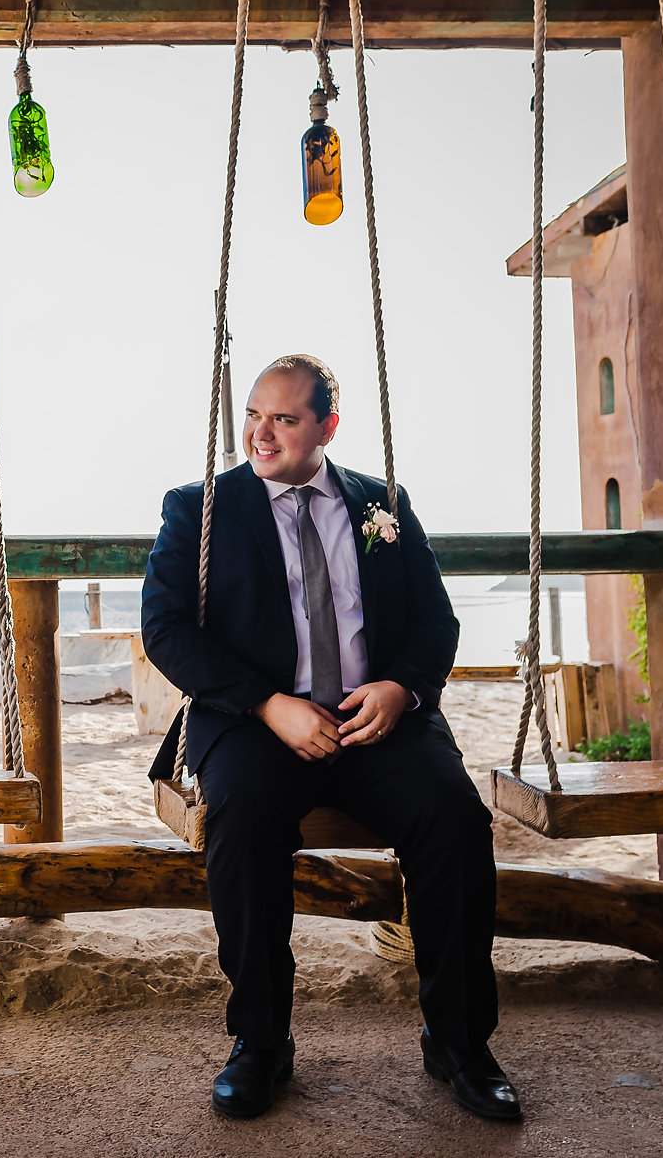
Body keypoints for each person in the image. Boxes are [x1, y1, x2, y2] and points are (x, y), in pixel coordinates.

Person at [142, 354, 518, 1123]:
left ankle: (459, 1044)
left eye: (283, 417)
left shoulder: (382, 504)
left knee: (455, 818)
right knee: (241, 821)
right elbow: (166, 630)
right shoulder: (200, 507)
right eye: (255, 413)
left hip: (375, 721)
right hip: (256, 723)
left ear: (326, 427)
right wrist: (267, 704)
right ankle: (260, 1045)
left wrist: (400, 686)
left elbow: (435, 621)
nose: (261, 431)